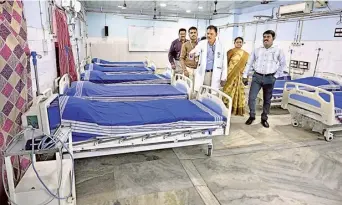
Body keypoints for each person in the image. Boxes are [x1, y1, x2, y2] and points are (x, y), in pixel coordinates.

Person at [242, 30, 286, 128]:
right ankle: (252, 116)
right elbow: (249, 63)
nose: (266, 38)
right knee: (251, 98)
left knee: (267, 100)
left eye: (268, 37)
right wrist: (245, 75)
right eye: (264, 37)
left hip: (270, 78)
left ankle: (264, 118)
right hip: (257, 77)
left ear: (273, 38)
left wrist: (275, 76)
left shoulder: (278, 50)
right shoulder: (257, 50)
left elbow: (283, 64)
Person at [189, 25, 228, 93]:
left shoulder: (221, 46)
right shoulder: (202, 43)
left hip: (215, 73)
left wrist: (224, 77)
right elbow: (195, 50)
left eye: (211, 34)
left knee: (212, 94)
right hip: (202, 72)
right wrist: (192, 54)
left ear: (216, 34)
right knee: (198, 92)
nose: (209, 35)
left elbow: (224, 62)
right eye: (207, 33)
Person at [223, 37, 249, 116]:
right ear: (234, 43)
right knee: (228, 90)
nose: (239, 43)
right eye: (237, 42)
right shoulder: (230, 52)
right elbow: (225, 63)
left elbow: (247, 65)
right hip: (230, 74)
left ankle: (236, 109)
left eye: (240, 42)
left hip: (240, 76)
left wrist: (245, 75)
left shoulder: (246, 54)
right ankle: (225, 107)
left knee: (239, 92)